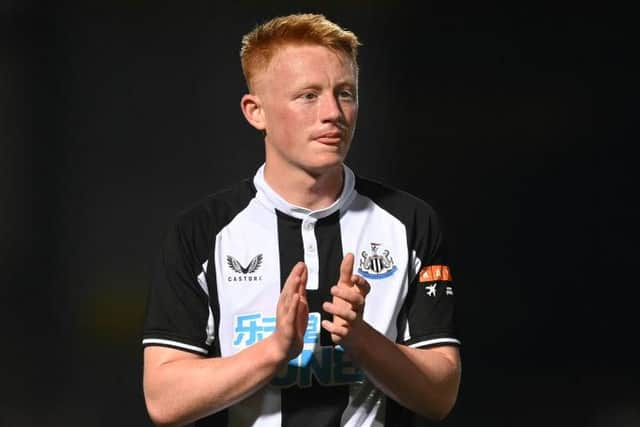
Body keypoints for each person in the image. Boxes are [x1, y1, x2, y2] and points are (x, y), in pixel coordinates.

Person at [142, 13, 461, 427]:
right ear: (256, 112)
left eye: (345, 93)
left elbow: (440, 395)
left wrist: (361, 339)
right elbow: (164, 401)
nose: (334, 112)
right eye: (308, 95)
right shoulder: (202, 233)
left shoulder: (410, 223)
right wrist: (275, 349)